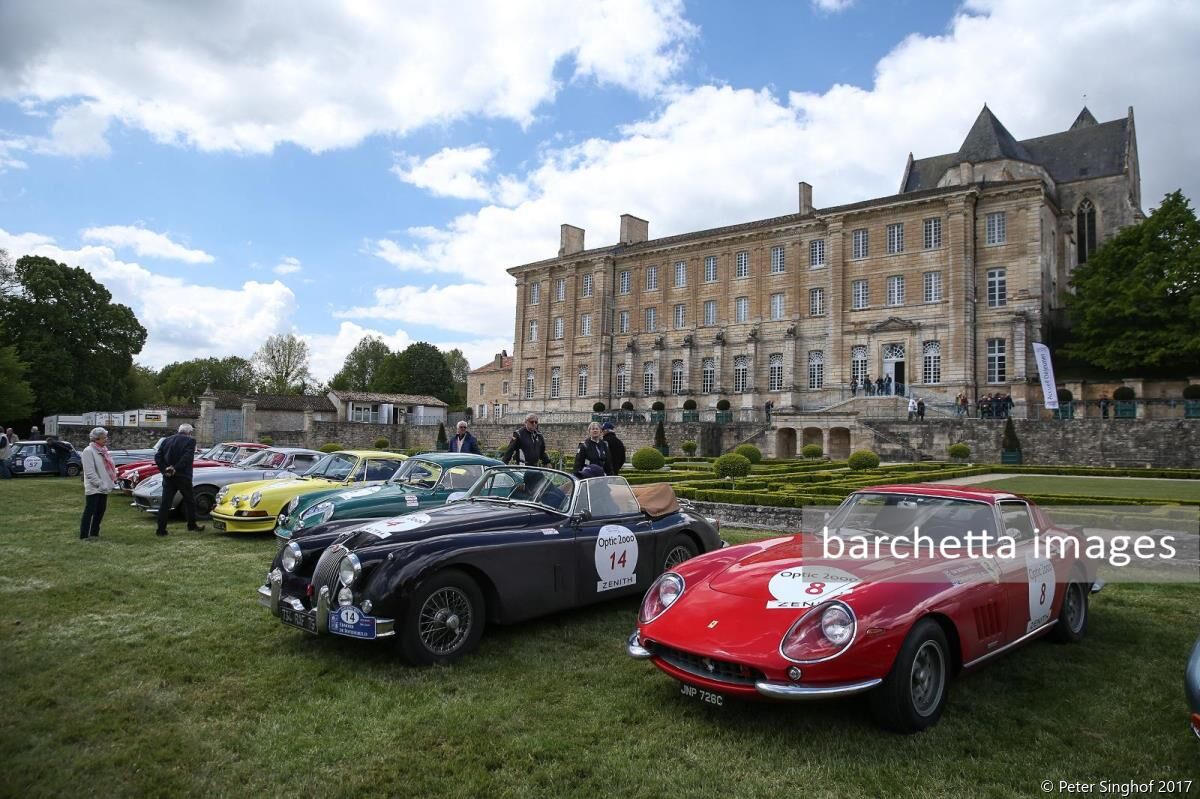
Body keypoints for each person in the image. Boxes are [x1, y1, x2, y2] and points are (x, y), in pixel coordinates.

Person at [154, 423, 205, 537]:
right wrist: (175, 468)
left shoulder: (166, 440)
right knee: (189, 501)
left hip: (168, 476)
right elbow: (187, 458)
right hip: (183, 476)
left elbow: (158, 457)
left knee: (165, 503)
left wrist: (165, 469)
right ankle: (191, 525)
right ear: (189, 432)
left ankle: (161, 529)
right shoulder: (190, 441)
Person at [80, 427, 116, 540]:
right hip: (94, 487)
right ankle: (84, 535)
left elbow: (108, 467)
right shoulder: (88, 451)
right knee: (89, 511)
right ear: (96, 439)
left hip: (104, 486)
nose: (106, 439)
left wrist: (111, 480)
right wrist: (99, 484)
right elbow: (89, 472)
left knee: (100, 511)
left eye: (106, 437)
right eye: (104, 437)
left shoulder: (104, 450)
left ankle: (94, 533)